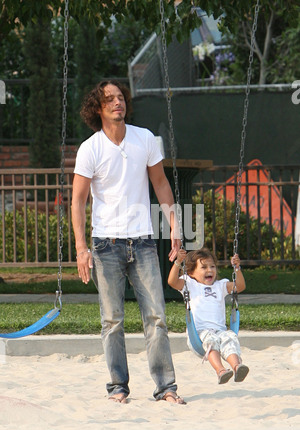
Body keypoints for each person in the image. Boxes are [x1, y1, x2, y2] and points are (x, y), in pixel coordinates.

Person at [71, 80, 185, 404]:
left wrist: (176, 226)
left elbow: (161, 185)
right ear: (98, 108)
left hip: (145, 241)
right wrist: (81, 248)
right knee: (112, 320)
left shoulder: (144, 138)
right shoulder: (90, 148)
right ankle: (118, 386)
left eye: (120, 97)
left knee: (157, 317)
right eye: (110, 99)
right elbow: (78, 201)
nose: (118, 102)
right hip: (106, 245)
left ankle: (166, 387)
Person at [168, 247, 249, 385]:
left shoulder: (221, 285)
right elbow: (172, 282)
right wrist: (178, 263)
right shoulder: (190, 284)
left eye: (212, 266)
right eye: (204, 267)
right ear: (192, 272)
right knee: (211, 340)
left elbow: (240, 286)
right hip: (199, 334)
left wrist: (237, 268)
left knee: (229, 338)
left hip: (220, 331)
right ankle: (221, 371)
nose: (209, 270)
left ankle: (237, 367)